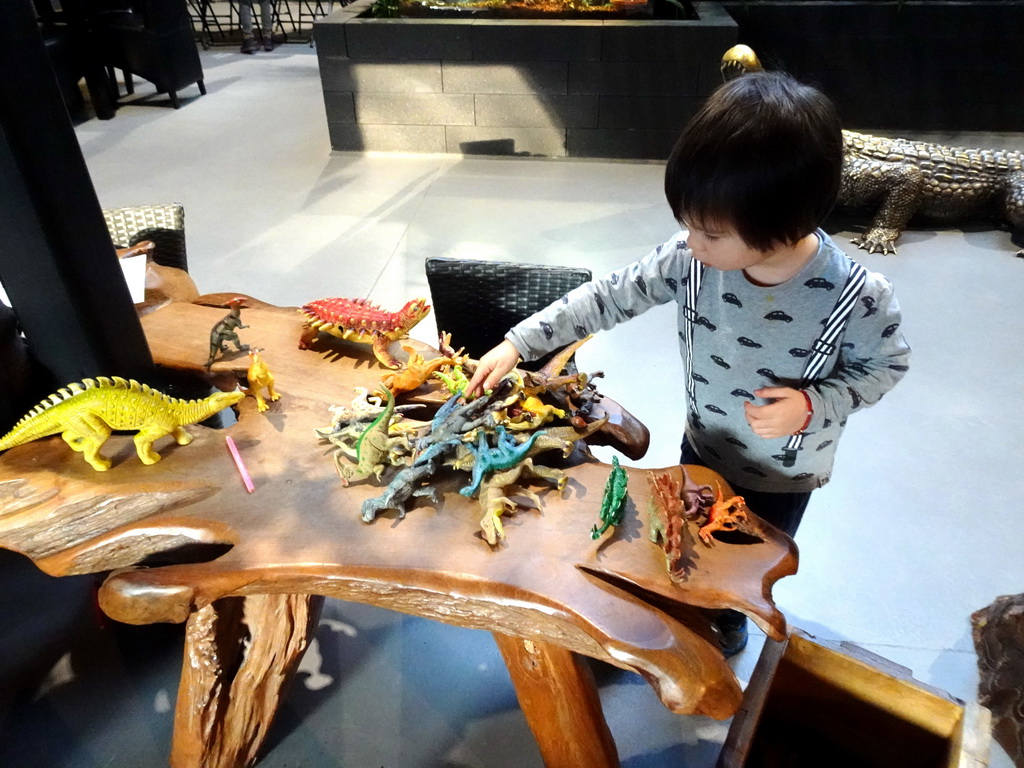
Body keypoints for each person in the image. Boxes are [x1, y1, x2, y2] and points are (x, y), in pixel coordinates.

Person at [466, 71, 911, 656]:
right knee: (688, 536)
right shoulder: (691, 259)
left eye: (711, 230)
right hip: (703, 443)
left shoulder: (855, 296)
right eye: (688, 222)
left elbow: (887, 366)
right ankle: (687, 603)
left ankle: (727, 619)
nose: (691, 240)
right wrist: (519, 344)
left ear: (787, 225)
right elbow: (607, 296)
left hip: (784, 474)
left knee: (746, 566)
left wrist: (813, 404)